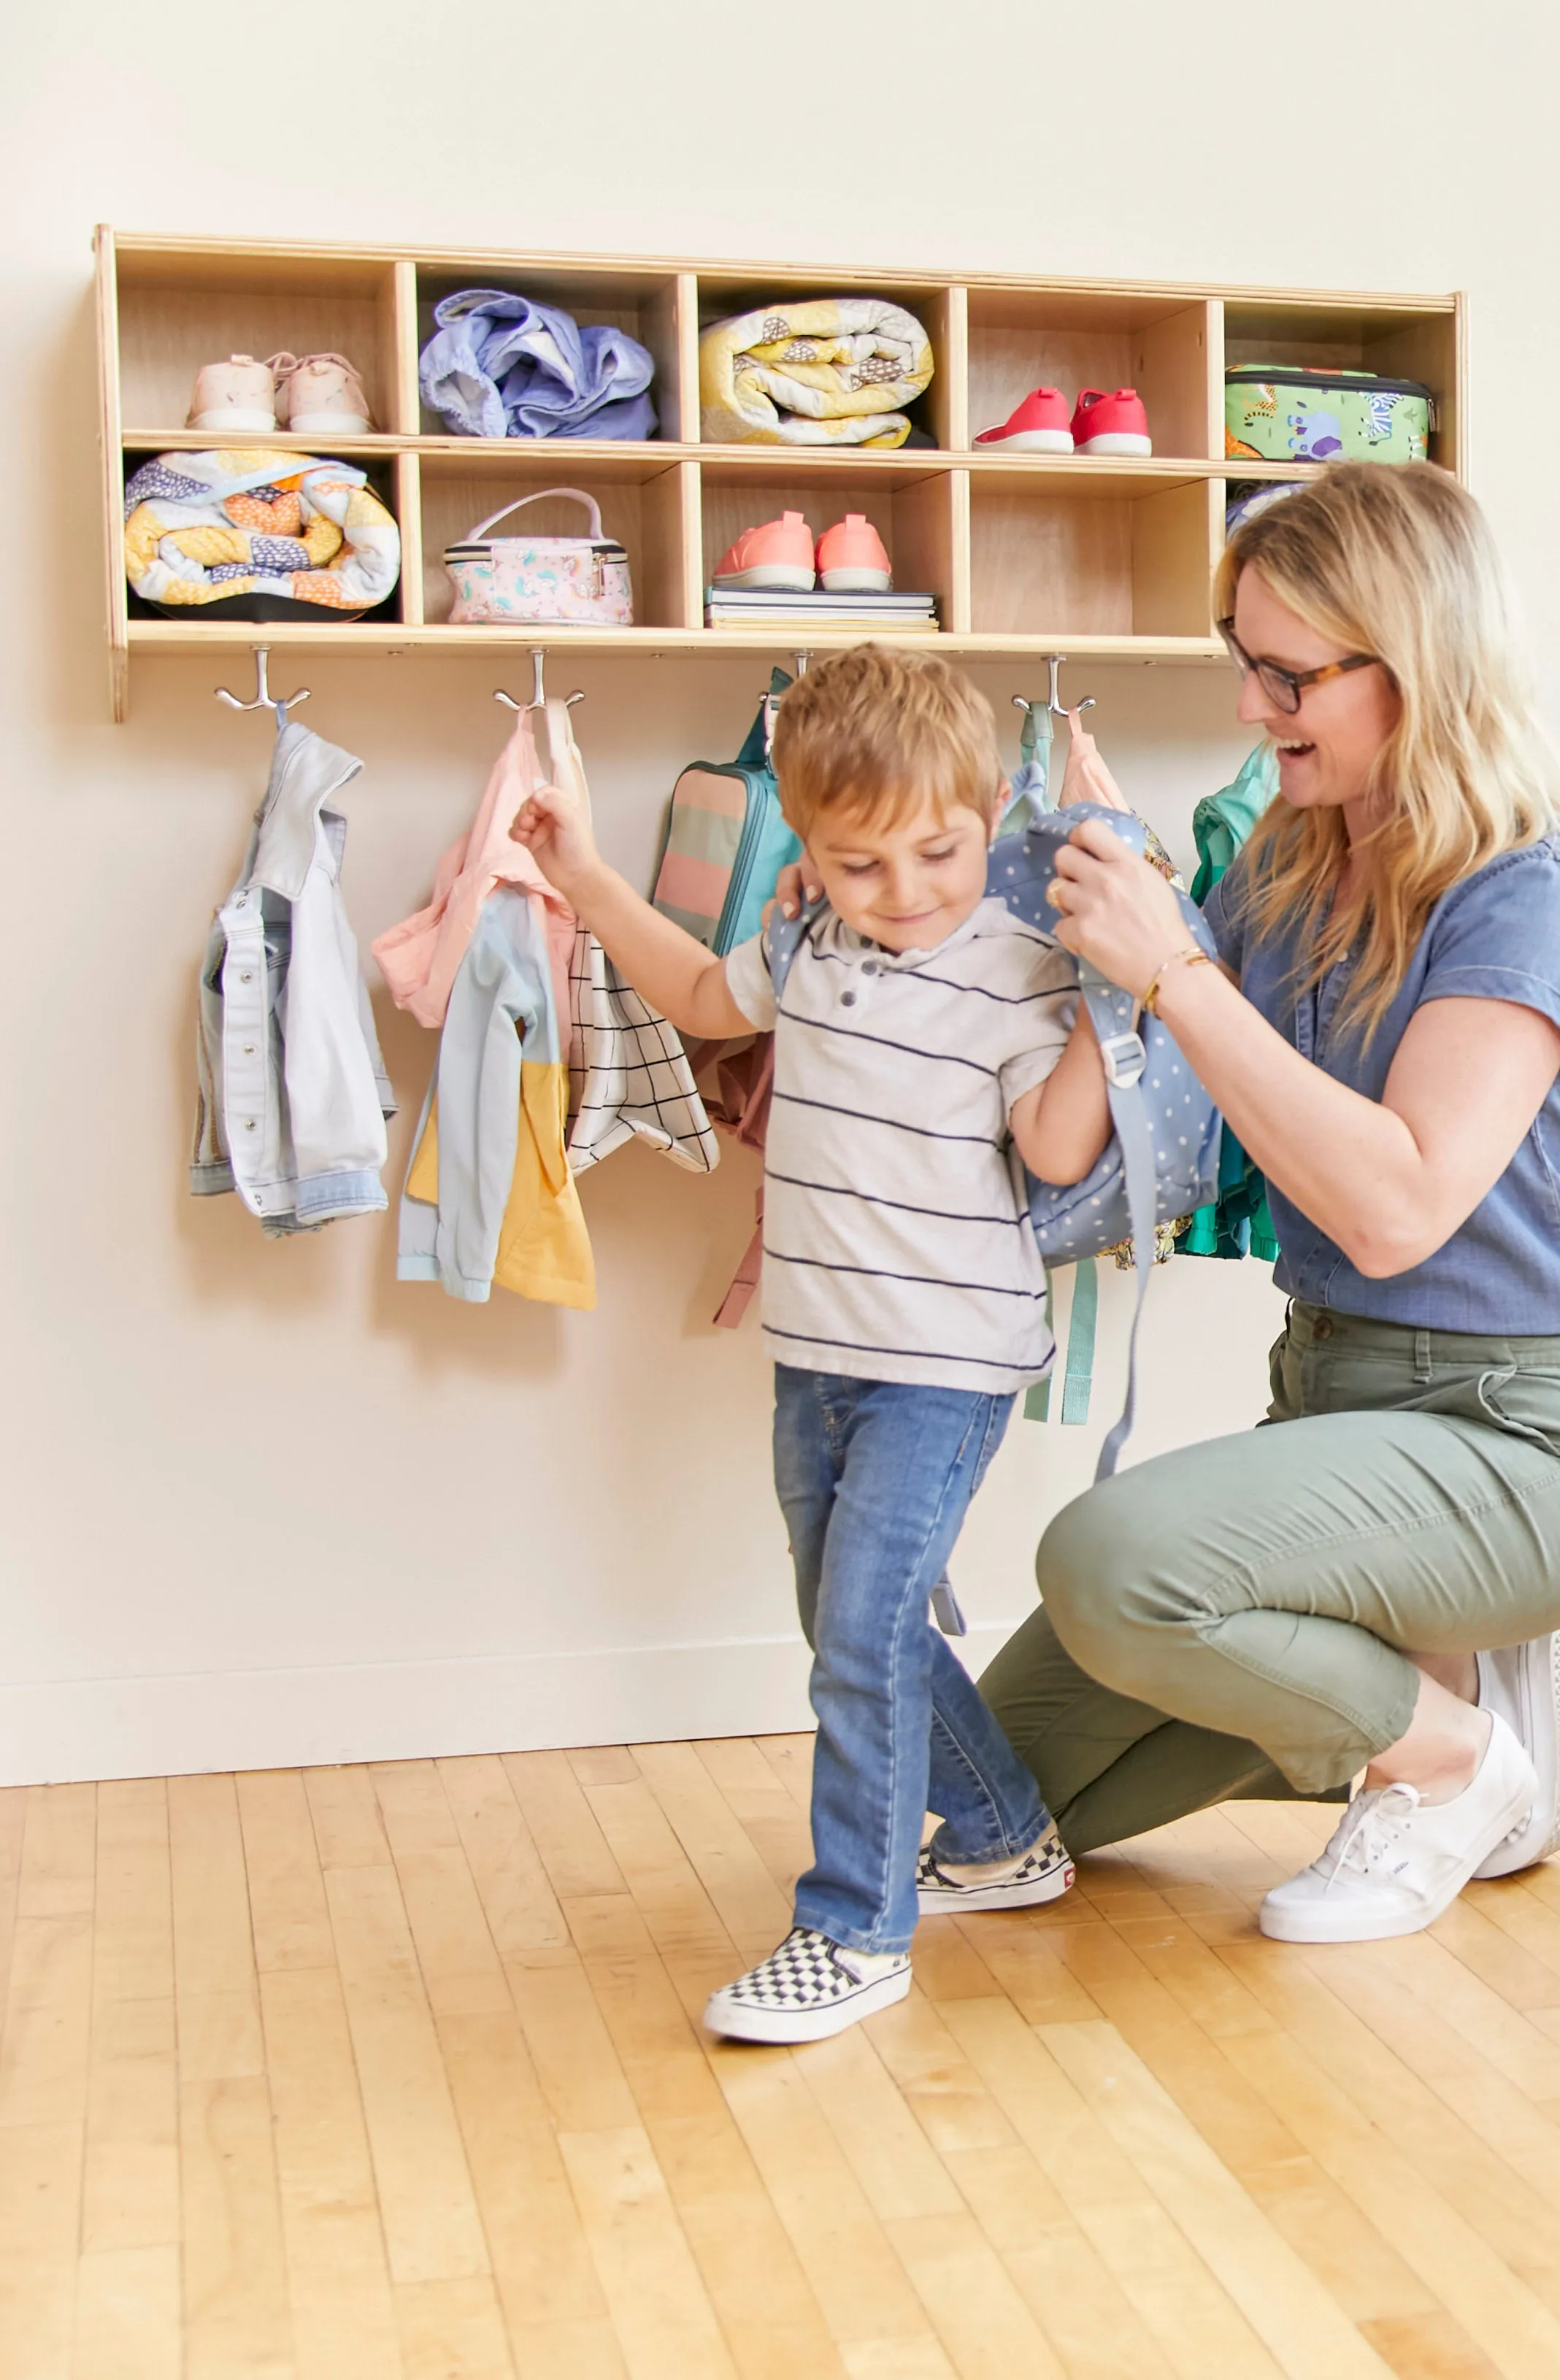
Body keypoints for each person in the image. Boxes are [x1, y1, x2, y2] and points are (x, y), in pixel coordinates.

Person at [957, 461, 1560, 1944]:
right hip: (1333, 1409)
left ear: (1417, 666)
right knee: (961, 1811)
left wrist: (1178, 971)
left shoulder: (1530, 890)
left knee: (1108, 1560)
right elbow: (1146, 1123)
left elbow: (1399, 1204)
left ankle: (1451, 1753)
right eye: (1241, 660)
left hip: (1524, 1437)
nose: (1248, 707)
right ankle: (1429, 1666)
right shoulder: (1287, 866)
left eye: (1285, 675)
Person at [510, 647, 1109, 2042]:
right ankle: (1008, 1836)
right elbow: (712, 1003)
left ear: (992, 807)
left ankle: (851, 1930)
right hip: (819, 1352)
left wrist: (1112, 1003)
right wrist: (591, 879)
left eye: (936, 853)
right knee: (849, 1625)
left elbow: (1059, 1143)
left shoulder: (1023, 969)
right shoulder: (809, 939)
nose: (900, 893)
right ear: (809, 850)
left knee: (860, 1630)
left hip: (946, 1365)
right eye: (856, 864)